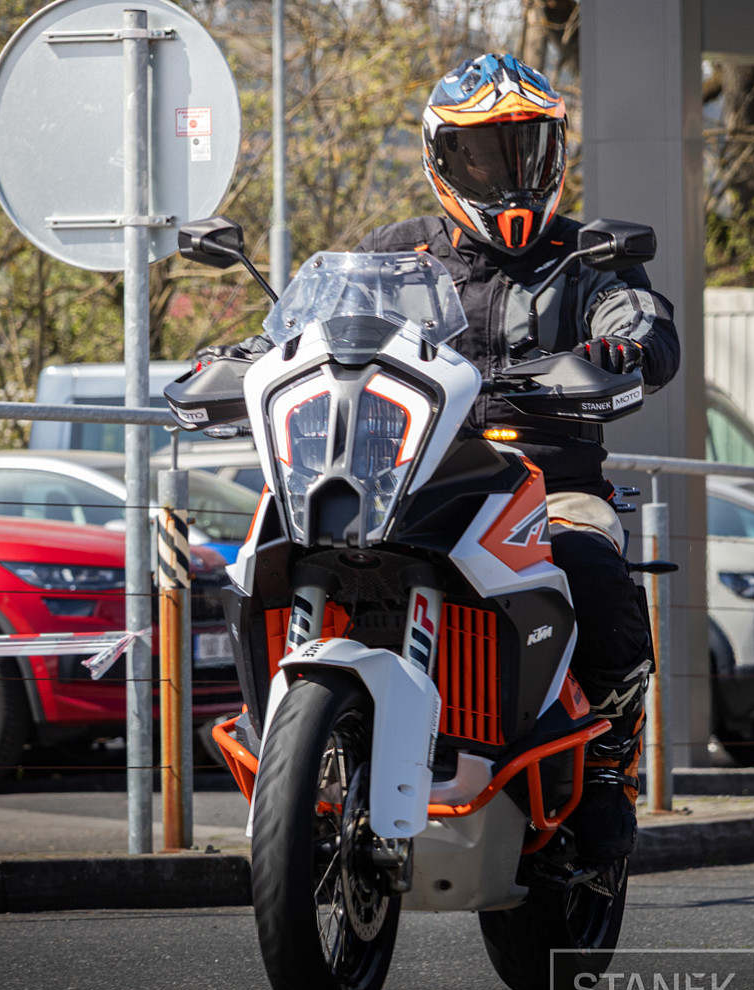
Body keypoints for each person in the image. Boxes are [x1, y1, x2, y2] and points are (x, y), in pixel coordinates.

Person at [199, 53, 680, 865]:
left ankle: (605, 759)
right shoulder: (393, 254)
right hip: (409, 480)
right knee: (267, 552)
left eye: (526, 149)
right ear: (442, 156)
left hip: (544, 484)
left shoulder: (588, 254)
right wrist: (248, 353)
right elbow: (317, 329)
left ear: (556, 152)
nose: (507, 173)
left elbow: (642, 320)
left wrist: (625, 344)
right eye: (483, 153)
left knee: (592, 568)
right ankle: (294, 739)